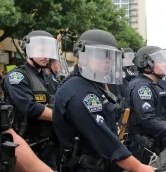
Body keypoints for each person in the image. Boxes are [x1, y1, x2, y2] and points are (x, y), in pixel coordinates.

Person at [53, 29, 154, 172]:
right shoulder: (80, 92)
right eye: (100, 55)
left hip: (101, 163)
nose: (107, 61)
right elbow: (104, 139)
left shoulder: (93, 84)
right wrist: (139, 167)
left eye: (109, 56)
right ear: (83, 57)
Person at [3, 30, 59, 170]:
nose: (45, 56)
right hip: (25, 145)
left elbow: (59, 101)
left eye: (47, 51)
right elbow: (30, 108)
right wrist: (62, 116)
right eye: (40, 51)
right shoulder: (17, 77)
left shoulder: (48, 78)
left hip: (48, 145)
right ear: (28, 51)